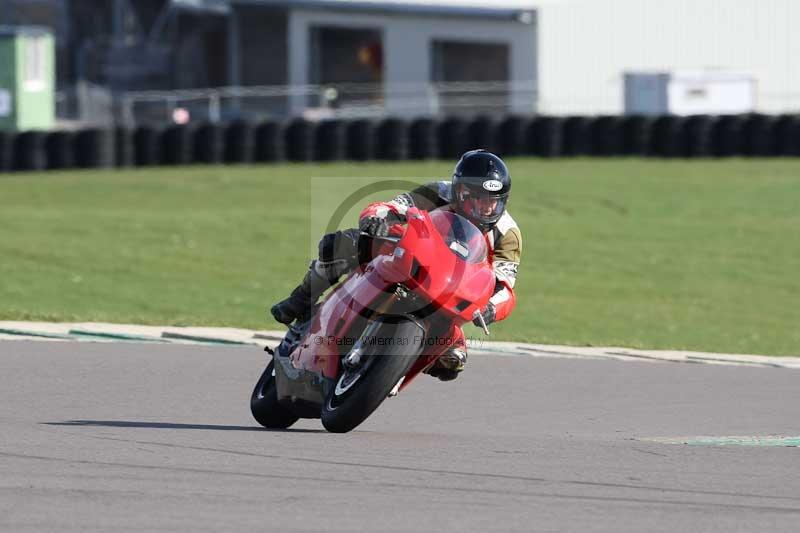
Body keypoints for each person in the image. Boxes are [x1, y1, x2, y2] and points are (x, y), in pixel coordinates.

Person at [270, 150, 522, 381]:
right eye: (478, 199)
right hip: (414, 260)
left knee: (451, 363)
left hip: (451, 289)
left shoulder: (507, 234)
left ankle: (392, 369)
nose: (487, 207)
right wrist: (376, 221)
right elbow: (391, 206)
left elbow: (505, 285)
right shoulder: (436, 193)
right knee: (341, 245)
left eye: (494, 200)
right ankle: (301, 299)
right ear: (460, 191)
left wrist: (491, 309)